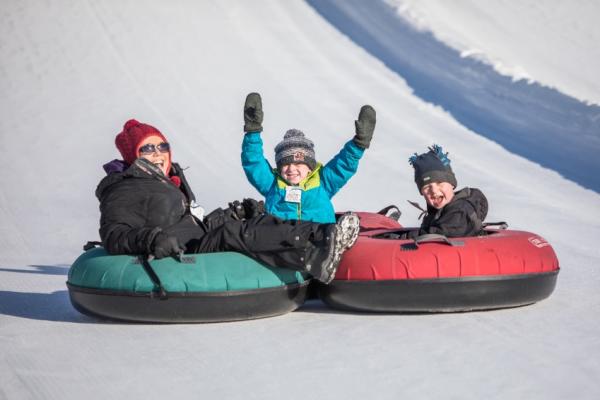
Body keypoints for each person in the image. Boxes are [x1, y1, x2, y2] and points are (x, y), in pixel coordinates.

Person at [95, 119, 361, 283]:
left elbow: (189, 222)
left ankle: (313, 253)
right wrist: (151, 239)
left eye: (161, 146)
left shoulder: (168, 179)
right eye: (147, 149)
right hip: (179, 252)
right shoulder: (125, 187)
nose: (158, 154)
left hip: (194, 241)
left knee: (250, 222)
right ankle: (323, 237)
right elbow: (114, 234)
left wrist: (230, 213)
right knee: (240, 232)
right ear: (133, 154)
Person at [241, 92, 376, 223]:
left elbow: (343, 164)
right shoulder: (272, 185)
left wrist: (359, 144)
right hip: (281, 242)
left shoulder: (323, 183)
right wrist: (253, 132)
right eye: (285, 164)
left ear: (310, 168)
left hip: (319, 241)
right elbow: (254, 163)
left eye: (299, 164)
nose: (291, 168)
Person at [407, 144, 488, 238]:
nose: (433, 190)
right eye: (427, 187)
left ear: (452, 184)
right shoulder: (436, 212)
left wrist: (403, 237)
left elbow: (437, 235)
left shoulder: (460, 211)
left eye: (439, 183)